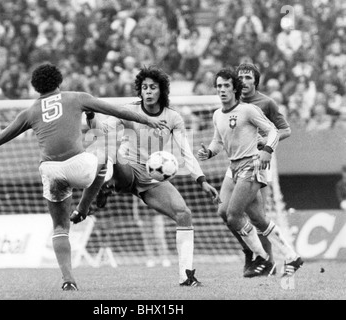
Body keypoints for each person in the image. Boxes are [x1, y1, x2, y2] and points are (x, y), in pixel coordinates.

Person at [0, 63, 168, 292]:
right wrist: (149, 120)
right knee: (106, 153)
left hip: (50, 170)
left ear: (36, 88)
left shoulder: (30, 111)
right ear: (59, 82)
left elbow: (3, 135)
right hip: (79, 166)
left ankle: (68, 280)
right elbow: (117, 111)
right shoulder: (76, 97)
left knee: (60, 226)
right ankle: (84, 206)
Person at [71, 66, 220, 287]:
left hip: (152, 178)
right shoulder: (129, 110)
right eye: (144, 87)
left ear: (162, 91)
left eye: (152, 87)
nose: (148, 91)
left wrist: (202, 180)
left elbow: (187, 153)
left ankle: (186, 275)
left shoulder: (173, 118)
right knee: (107, 150)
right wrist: (91, 117)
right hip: (127, 166)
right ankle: (104, 185)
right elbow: (101, 128)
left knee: (184, 213)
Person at [198, 68, 303, 278]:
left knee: (234, 215)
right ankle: (292, 257)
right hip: (233, 166)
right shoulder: (217, 114)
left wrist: (267, 150)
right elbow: (218, 141)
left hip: (252, 164)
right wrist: (209, 152)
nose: (222, 90)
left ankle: (262, 258)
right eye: (219, 86)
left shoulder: (249, 110)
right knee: (250, 217)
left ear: (235, 88)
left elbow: (274, 131)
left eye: (226, 85)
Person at [225, 62, 292, 276]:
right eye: (241, 77)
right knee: (223, 211)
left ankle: (268, 262)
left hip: (258, 163)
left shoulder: (266, 102)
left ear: (256, 81)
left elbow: (285, 129)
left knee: (258, 215)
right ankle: (250, 252)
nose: (244, 81)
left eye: (248, 77)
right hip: (235, 162)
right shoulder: (232, 101)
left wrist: (265, 140)